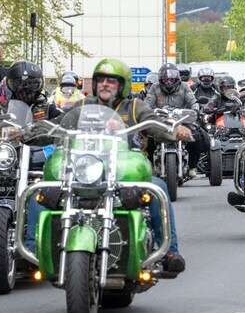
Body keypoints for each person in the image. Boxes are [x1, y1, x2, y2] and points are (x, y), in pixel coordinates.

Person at [60, 59, 190, 274]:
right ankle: (29, 247)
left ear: (122, 85)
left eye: (111, 81)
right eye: (101, 80)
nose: (105, 84)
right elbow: (59, 127)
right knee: (45, 190)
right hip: (85, 171)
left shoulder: (135, 107)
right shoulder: (82, 106)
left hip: (127, 171)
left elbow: (155, 123)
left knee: (159, 190)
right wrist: (31, 131)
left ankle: (169, 252)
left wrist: (175, 130)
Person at [146, 63, 207, 176]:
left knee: (196, 136)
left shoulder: (184, 86)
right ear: (160, 79)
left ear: (177, 78)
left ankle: (192, 166)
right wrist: (147, 111)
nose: (169, 81)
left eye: (171, 79)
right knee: (147, 137)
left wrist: (195, 109)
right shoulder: (154, 87)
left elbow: (192, 101)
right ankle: (151, 165)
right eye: (165, 79)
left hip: (181, 120)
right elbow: (148, 103)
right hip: (161, 121)